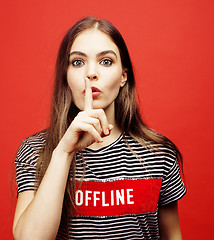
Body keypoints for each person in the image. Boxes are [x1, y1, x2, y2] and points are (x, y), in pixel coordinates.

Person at [13, 16, 186, 240]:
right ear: (66, 76)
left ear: (124, 76)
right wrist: (64, 152)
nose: (91, 73)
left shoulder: (159, 153)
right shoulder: (35, 150)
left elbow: (172, 235)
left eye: (106, 61)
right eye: (77, 62)